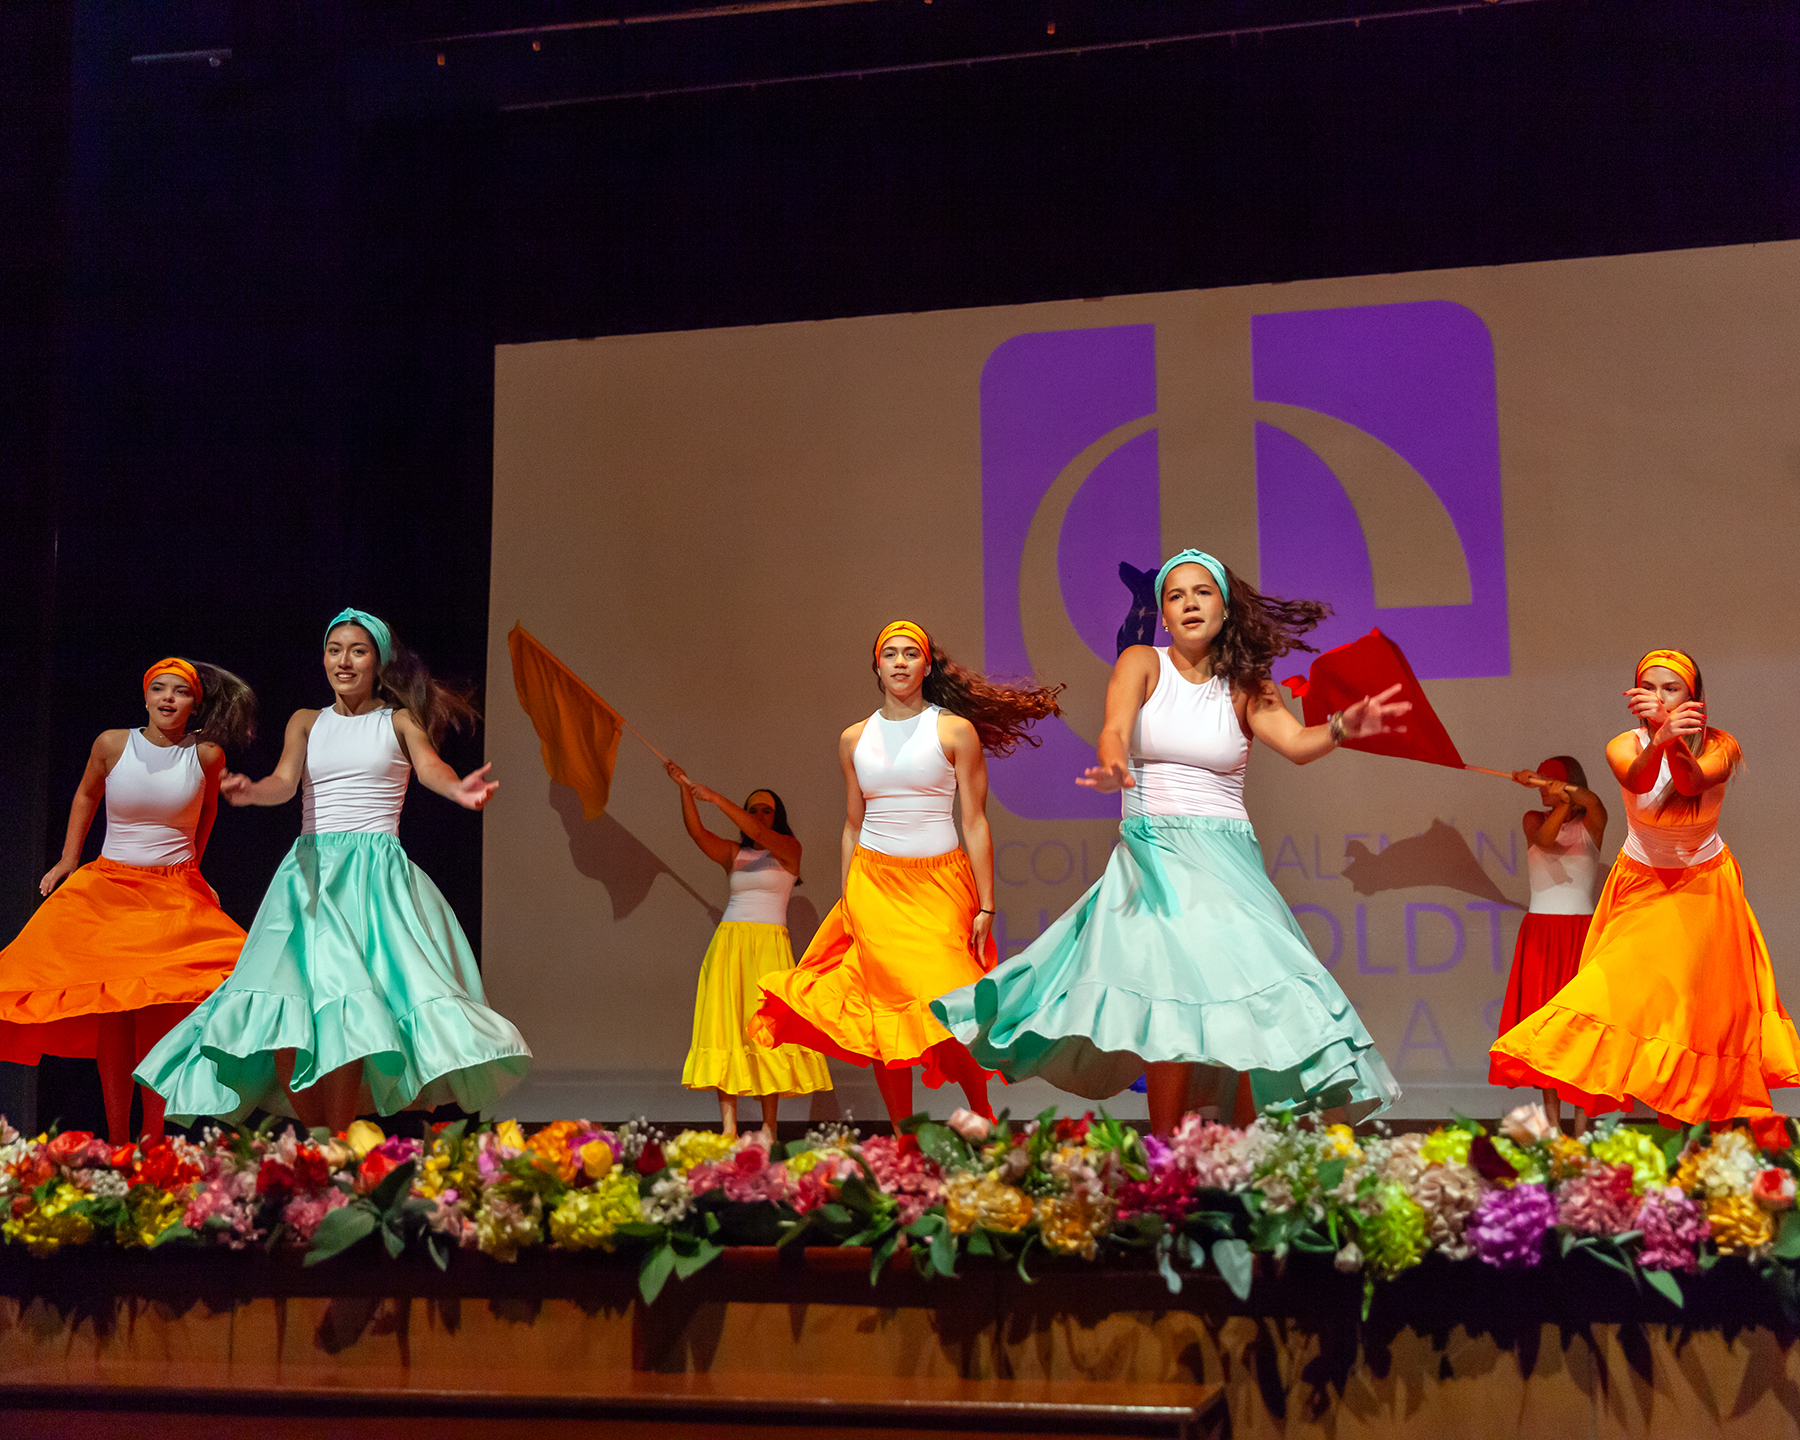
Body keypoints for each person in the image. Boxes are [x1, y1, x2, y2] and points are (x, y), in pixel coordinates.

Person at [933, 549, 1406, 1136]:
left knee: (1254, 992)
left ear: (1224, 609)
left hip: (1227, 857)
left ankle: (1240, 1146)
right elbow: (1114, 729)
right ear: (1162, 614)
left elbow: (1293, 742)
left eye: (1202, 592)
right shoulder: (1142, 662)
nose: (1189, 603)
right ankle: (1164, 1147)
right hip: (1154, 852)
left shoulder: (1249, 684)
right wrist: (1113, 763)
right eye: (1175, 595)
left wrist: (1338, 728)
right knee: (1169, 996)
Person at [136, 609, 531, 1131]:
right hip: (307, 878)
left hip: (371, 881)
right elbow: (284, 782)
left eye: (357, 651)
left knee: (349, 1016)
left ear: (377, 662)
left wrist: (458, 788)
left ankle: (338, 1142)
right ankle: (321, 1138)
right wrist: (253, 792)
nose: (344, 661)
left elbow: (430, 768)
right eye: (334, 649)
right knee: (280, 1011)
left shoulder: (398, 721)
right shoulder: (306, 720)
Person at [750, 620, 1061, 1130]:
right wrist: (849, 898)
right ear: (876, 666)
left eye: (910, 653)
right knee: (883, 1010)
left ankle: (982, 1118)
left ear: (926, 665)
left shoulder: (954, 731)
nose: (899, 662)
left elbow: (975, 821)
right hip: (873, 886)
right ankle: (903, 1138)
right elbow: (853, 824)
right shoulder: (854, 738)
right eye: (889, 653)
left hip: (940, 885)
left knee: (952, 1000)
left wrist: (987, 903)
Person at [1491, 650, 1798, 1141]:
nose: (1658, 698)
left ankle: (1710, 1137)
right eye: (1648, 688)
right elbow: (1637, 779)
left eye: (1670, 689)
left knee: (1705, 1011)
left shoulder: (1721, 746)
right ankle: (1570, 1111)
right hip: (1642, 884)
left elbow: (1690, 783)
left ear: (1694, 697)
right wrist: (1659, 738)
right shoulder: (1622, 745)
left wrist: (1671, 739)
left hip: (1705, 886)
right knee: (1609, 988)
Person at [0, 659, 255, 1144]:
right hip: (110, 891)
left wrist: (194, 869)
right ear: (145, 697)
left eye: (179, 691)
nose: (167, 698)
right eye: (158, 688)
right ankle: (119, 1138)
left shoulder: (206, 755)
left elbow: (206, 812)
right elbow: (86, 795)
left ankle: (153, 1139)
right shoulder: (113, 744)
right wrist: (68, 859)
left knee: (162, 1016)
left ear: (194, 704)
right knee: (114, 1017)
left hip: (171, 897)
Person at [664, 764, 831, 1139]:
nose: (759, 815)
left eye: (766, 810)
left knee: (767, 1033)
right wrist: (683, 788)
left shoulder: (789, 850)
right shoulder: (735, 854)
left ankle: (769, 1127)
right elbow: (697, 833)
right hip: (730, 946)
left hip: (769, 948)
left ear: (777, 816)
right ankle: (729, 1128)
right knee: (727, 1028)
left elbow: (758, 832)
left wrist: (714, 797)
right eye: (753, 809)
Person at [1488, 757, 1608, 1135]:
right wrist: (1560, 802)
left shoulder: (1592, 821)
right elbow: (1544, 840)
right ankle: (1554, 1130)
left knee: (1582, 1030)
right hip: (1541, 933)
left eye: (1547, 780)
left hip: (1581, 935)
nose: (1540, 787)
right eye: (1538, 780)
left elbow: (1593, 801)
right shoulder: (1533, 819)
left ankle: (1581, 1130)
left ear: (1567, 781)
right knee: (1544, 1029)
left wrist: (1567, 794)